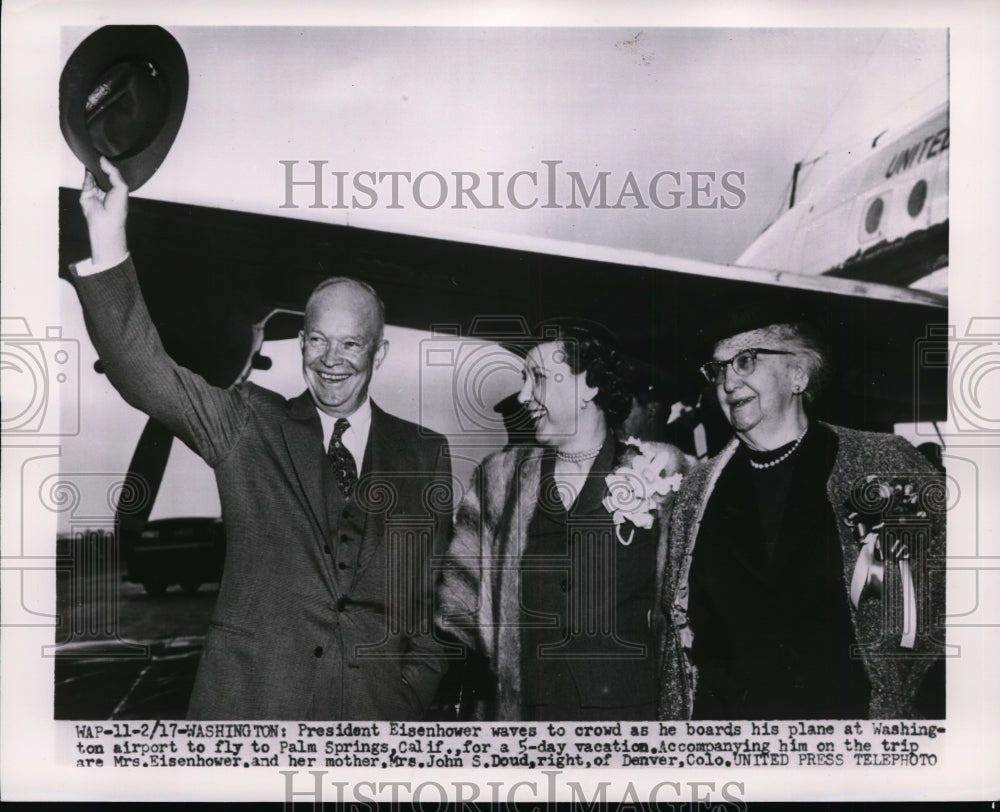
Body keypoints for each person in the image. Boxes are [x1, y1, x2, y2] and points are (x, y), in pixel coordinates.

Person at [72, 157, 452, 720]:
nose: (331, 360)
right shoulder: (249, 423)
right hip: (254, 708)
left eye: (350, 345)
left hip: (376, 721)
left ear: (379, 352)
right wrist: (108, 238)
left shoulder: (425, 453)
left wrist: (410, 694)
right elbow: (141, 369)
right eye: (318, 340)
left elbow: (435, 599)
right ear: (300, 343)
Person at [659, 310, 945, 720]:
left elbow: (941, 602)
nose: (728, 382)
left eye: (746, 360)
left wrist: (902, 707)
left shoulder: (882, 464)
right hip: (729, 738)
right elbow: (681, 639)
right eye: (717, 369)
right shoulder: (698, 490)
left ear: (798, 376)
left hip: (844, 734)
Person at [438, 322, 690, 720]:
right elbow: (456, 611)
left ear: (589, 384)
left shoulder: (662, 476)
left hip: (630, 724)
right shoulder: (497, 482)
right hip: (524, 721)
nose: (523, 396)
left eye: (537, 378)